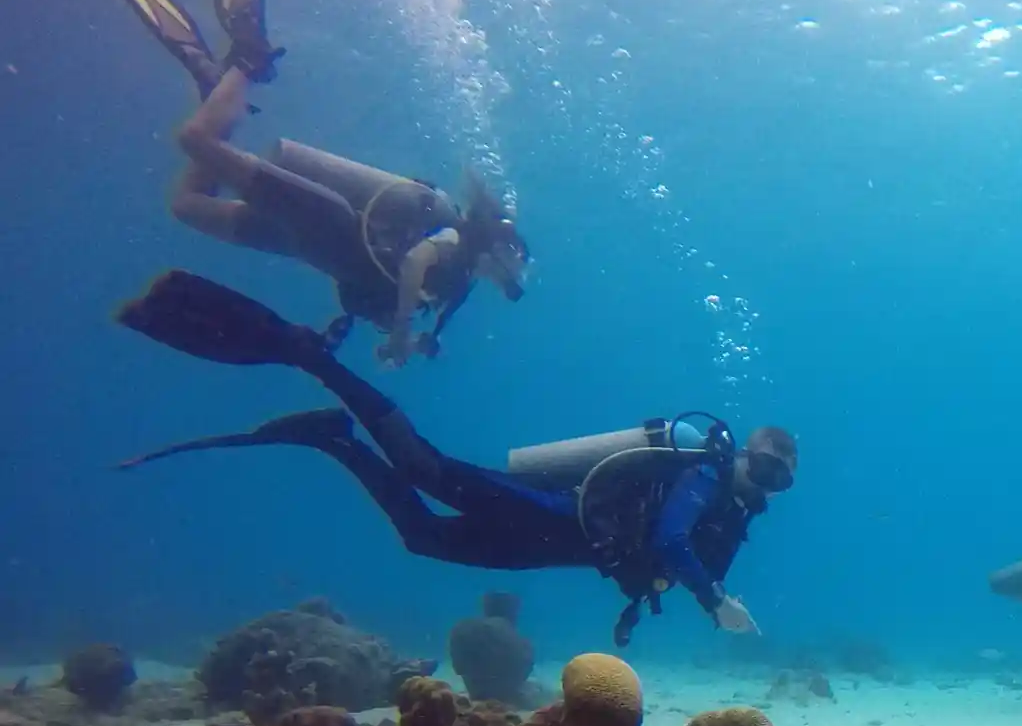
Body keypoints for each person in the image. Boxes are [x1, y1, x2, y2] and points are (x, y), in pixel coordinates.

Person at [111, 269, 798, 646]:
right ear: (743, 453)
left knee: (424, 537)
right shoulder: (704, 471)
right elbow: (673, 537)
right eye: (764, 462)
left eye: (779, 478)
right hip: (554, 514)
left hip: (555, 545)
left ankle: (336, 438)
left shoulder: (734, 516)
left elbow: (666, 561)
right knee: (428, 469)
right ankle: (314, 360)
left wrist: (683, 593)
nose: (765, 478)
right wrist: (713, 604)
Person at [96, 0, 530, 365]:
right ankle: (246, 60)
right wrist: (400, 331)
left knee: (187, 205)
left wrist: (405, 338)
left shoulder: (459, 285)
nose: (515, 274)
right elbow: (415, 261)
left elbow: (390, 286)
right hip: (326, 220)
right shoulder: (457, 243)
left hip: (309, 245)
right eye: (517, 259)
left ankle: (221, 87)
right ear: (498, 243)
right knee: (193, 140)